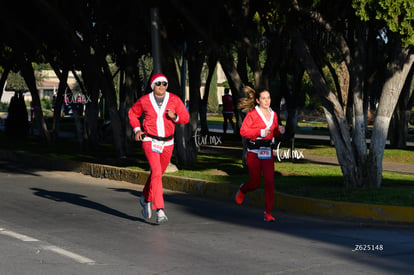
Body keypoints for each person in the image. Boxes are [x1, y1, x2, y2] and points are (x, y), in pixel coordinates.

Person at [128, 73, 189, 224]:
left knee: (157, 175)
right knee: (156, 172)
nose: (161, 86)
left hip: (168, 143)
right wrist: (137, 130)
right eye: (158, 83)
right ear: (153, 85)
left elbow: (186, 117)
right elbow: (132, 114)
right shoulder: (145, 100)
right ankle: (160, 210)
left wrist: (175, 117)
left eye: (164, 84)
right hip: (150, 140)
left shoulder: (174, 99)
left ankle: (145, 198)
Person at [235, 86, 285, 222]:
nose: (267, 101)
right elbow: (243, 131)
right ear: (258, 100)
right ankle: (243, 189)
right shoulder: (252, 115)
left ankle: (268, 213)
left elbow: (273, 132)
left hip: (267, 152)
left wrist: (279, 131)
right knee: (255, 183)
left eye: (268, 98)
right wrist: (260, 132)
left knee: (269, 182)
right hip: (254, 152)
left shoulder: (274, 114)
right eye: (263, 98)